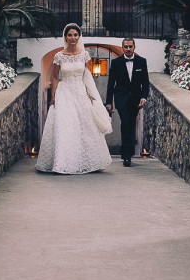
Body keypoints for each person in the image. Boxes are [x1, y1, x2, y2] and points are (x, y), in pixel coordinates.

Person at [35, 23, 112, 174]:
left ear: (79, 37)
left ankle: (87, 161)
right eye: (70, 35)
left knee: (84, 124)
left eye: (75, 35)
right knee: (65, 125)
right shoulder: (59, 56)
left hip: (80, 91)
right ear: (65, 37)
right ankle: (62, 162)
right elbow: (55, 77)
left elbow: (87, 75)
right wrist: (53, 96)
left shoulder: (84, 55)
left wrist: (91, 93)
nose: (73, 38)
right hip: (65, 92)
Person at [105, 38, 150, 167]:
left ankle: (127, 154)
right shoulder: (116, 62)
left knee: (130, 124)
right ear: (123, 47)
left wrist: (144, 97)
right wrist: (109, 102)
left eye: (130, 46)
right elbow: (110, 84)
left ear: (134, 47)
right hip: (121, 99)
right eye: (126, 47)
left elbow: (145, 83)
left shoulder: (142, 62)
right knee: (126, 122)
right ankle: (126, 155)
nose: (128, 49)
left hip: (136, 100)